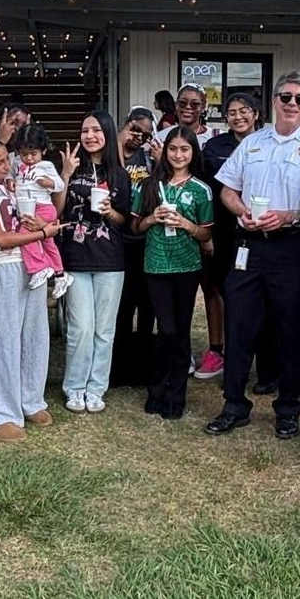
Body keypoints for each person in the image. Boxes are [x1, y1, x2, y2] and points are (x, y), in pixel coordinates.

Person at [204, 72, 300, 439]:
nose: (291, 104)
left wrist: (289, 216)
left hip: (293, 247)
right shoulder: (251, 144)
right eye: (285, 97)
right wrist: (239, 209)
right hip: (249, 246)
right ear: (274, 101)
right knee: (240, 324)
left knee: (290, 330)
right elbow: (227, 188)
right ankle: (233, 405)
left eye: (299, 99)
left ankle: (288, 408)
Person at [0, 136, 62, 442]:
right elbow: (0, 238)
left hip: (32, 264)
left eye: (6, 159)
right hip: (6, 264)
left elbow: (43, 205)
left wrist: (37, 226)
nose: (6, 165)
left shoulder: (12, 184)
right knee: (5, 335)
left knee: (35, 331)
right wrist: (43, 234)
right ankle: (0, 413)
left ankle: (30, 398)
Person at [132, 127, 214, 419]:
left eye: (185, 149)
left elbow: (206, 236)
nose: (178, 155)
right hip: (156, 264)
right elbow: (135, 225)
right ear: (164, 152)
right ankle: (156, 388)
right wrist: (153, 218)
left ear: (193, 153)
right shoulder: (150, 185)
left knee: (181, 331)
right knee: (164, 329)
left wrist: (186, 225)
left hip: (187, 266)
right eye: (173, 149)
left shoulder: (201, 190)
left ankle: (176, 394)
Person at [55, 111, 132, 414]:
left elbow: (123, 219)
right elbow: (57, 212)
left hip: (110, 260)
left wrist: (109, 211)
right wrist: (64, 175)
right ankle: (74, 387)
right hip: (75, 257)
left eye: (96, 130)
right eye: (85, 130)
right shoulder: (72, 171)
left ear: (108, 134)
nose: (89, 136)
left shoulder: (119, 175)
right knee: (80, 328)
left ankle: (96, 388)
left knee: (104, 330)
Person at [201, 93, 276, 389]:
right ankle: (232, 366)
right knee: (232, 298)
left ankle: (269, 370)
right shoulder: (214, 147)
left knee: (266, 303)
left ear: (256, 113)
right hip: (224, 233)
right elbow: (208, 188)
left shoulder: (271, 142)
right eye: (231, 112)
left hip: (263, 233)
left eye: (244, 111)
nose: (238, 116)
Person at [110, 107, 157, 387]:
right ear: (127, 125)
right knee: (122, 307)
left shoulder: (148, 158)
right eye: (137, 130)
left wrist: (159, 158)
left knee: (147, 305)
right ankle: (119, 368)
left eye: (147, 134)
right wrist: (119, 140)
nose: (140, 137)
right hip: (118, 239)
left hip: (145, 239)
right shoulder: (112, 153)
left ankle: (143, 368)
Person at [13, 124, 72, 297]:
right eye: (24, 154)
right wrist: (10, 181)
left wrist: (50, 183)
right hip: (26, 207)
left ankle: (38, 268)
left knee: (25, 235)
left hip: (43, 208)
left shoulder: (46, 166)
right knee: (48, 243)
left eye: (34, 154)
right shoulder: (16, 163)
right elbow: (10, 175)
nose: (29, 158)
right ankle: (60, 274)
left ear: (43, 150)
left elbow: (60, 185)